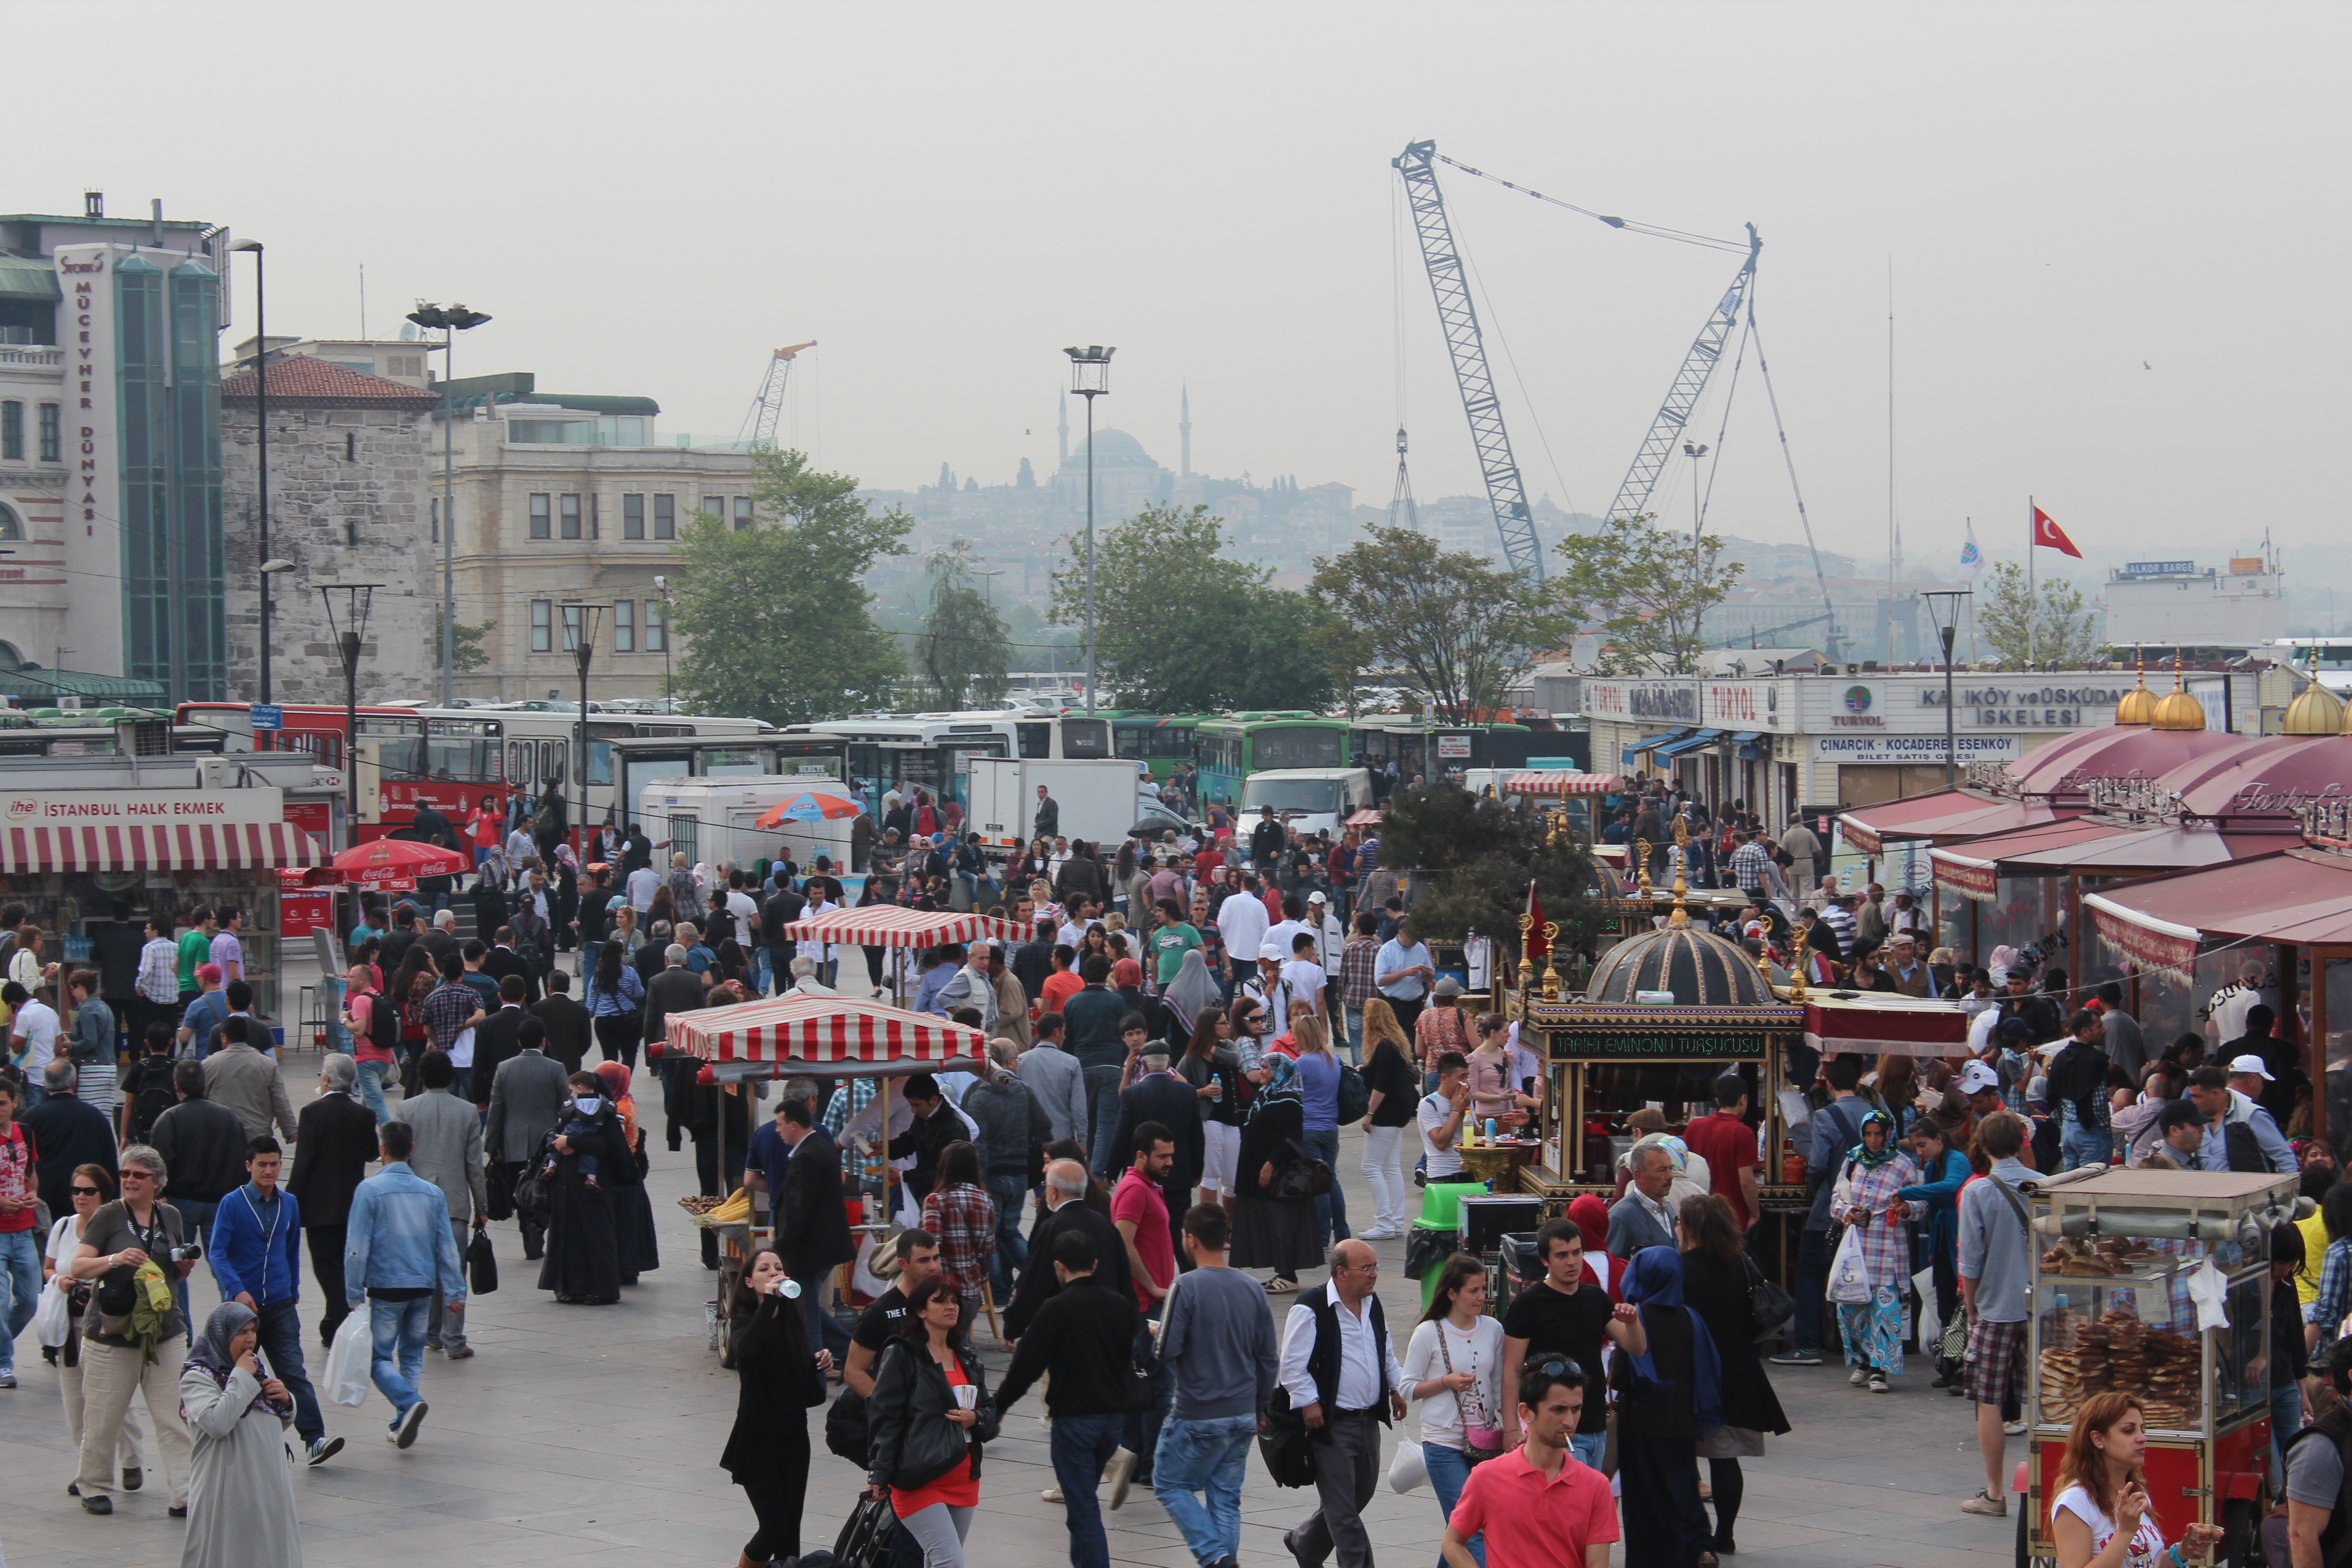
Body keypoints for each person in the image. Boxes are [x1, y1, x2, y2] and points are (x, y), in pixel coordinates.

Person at [995, 1227, 1143, 1568]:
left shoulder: (1056, 1309)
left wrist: (1000, 1406)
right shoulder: (1119, 1305)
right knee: (1083, 1502)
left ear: (1059, 1266)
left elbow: (1026, 1365)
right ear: (1095, 1264)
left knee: (1083, 1511)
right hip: (1111, 1423)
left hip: (1074, 1423)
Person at [65, 1142, 196, 1513]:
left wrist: (183, 1269)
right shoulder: (108, 1215)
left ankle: (185, 1494)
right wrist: (115, 1259)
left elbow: (171, 1273)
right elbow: (79, 1266)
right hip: (112, 1333)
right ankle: (93, 1485)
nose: (130, 1180)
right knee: (104, 1417)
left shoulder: (170, 1216)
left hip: (165, 1331)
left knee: (174, 1418)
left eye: (139, 1174)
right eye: (125, 1173)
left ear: (157, 1181)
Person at [1154, 1201, 1278, 1568]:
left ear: (1191, 1240)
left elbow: (1166, 1350)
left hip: (1198, 1412)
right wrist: (1260, 1407)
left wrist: (1157, 1332)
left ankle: (1215, 1557)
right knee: (1225, 1498)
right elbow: (1268, 1357)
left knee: (1170, 1484)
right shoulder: (1252, 1288)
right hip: (1242, 1413)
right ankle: (1225, 1561)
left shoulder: (1185, 1286)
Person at [205, 1134, 340, 1465]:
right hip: (241, 1310)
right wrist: (237, 1289)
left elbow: (291, 1249)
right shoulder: (232, 1203)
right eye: (262, 1164)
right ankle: (229, 1436)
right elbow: (217, 1252)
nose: (269, 1171)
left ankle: (314, 1439)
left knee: (293, 1371)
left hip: (280, 1304)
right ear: (249, 1166)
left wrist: (293, 1289)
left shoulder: (289, 1203)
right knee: (234, 1373)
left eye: (274, 1164)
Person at [1275, 1237, 1409, 1568]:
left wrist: (1397, 1388)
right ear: (1342, 1273)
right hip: (1331, 1425)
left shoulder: (1372, 1303)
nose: (1374, 1274)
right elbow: (1291, 1367)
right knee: (1344, 1513)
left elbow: (1386, 1353)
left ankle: (1305, 1542)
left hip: (1368, 1420)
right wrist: (1309, 1402)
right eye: (1367, 1268)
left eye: (1376, 1267)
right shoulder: (1311, 1307)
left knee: (1359, 1495)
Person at [865, 1272, 1001, 1568]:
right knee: (949, 1562)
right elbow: (886, 1417)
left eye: (955, 1301)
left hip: (963, 1476)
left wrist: (975, 1418)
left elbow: (991, 1415)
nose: (951, 1307)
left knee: (938, 1560)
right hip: (920, 1476)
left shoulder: (967, 1358)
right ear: (921, 1311)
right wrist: (879, 1472)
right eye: (940, 1301)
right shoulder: (902, 1354)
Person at [1678, 1196, 1789, 1557]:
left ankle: (1696, 1533)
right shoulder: (1740, 1262)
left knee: (1684, 1457)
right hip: (1738, 1371)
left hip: (1696, 1373)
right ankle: (1725, 1534)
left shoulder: (1683, 1269)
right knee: (1725, 1458)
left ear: (1692, 1228)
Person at [345, 1117, 465, 1448]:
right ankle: (402, 1422)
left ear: (382, 1148)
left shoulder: (369, 1190)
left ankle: (408, 1404)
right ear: (412, 1148)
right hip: (423, 1285)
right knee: (412, 1356)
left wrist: (353, 1293)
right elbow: (447, 1248)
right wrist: (455, 1291)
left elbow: (357, 1248)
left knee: (377, 1358)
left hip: (386, 1286)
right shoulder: (433, 1193)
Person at [1439, 1358, 1620, 1568]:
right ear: (1526, 1413)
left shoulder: (1596, 1486)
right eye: (1558, 1410)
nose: (1569, 1421)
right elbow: (1452, 1542)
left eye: (1576, 1409)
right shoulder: (1487, 1477)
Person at [1499, 1218, 1645, 1472]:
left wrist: (1633, 1323)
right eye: (1562, 1255)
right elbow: (1512, 1370)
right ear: (1545, 1260)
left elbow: (1637, 1348)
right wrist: (1511, 1428)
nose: (1572, 1262)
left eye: (1577, 1253)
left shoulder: (1596, 1298)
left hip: (1595, 1424)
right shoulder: (1528, 1305)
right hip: (1554, 1430)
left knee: (1590, 1495)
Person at [1610, 1245, 1722, 1568]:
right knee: (1683, 1488)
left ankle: (1651, 1559)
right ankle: (1699, 1546)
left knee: (1646, 1497)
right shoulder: (1691, 1318)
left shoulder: (1637, 1317)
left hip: (1641, 1424)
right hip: (1681, 1421)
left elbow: (1623, 1378)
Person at [721, 1246, 832, 1568]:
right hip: (757, 1440)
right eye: (764, 1269)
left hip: (794, 1439)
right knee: (773, 1527)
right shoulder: (744, 1322)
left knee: (789, 1535)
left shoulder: (792, 1322)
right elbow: (746, 1350)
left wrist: (816, 1365)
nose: (774, 1273)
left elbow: (810, 1396)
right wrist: (769, 1303)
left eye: (779, 1268)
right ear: (749, 1282)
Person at [41, 1163, 148, 1491]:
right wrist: (60, 1280)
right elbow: (48, 1268)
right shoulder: (63, 1226)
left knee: (113, 1402)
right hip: (68, 1328)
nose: (81, 1197)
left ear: (104, 1195)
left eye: (89, 1191)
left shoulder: (114, 1228)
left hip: (104, 1327)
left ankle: (131, 1459)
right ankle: (85, 1468)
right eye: (76, 1191)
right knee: (75, 1404)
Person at [176, 1301, 301, 1568]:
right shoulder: (198, 1378)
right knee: (230, 1553)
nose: (251, 1339)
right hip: (229, 1488)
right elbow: (217, 1422)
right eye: (242, 1332)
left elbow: (268, 1423)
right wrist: (241, 1377)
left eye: (253, 1331)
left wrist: (287, 1402)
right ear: (222, 1335)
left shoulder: (254, 1369)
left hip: (266, 1485)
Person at [1406, 1252, 1509, 1567]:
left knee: (1460, 1530)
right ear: (1452, 1294)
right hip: (1442, 1444)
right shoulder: (1428, 1332)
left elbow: (1498, 1387)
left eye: (1483, 1289)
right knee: (1472, 1528)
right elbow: (1407, 1388)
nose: (1482, 1297)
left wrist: (1513, 1429)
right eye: (1473, 1291)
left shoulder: (1493, 1329)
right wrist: (1445, 1382)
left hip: (1484, 1444)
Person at [1959, 1109, 2036, 1517]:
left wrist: (1971, 1307)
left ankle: (1994, 1492)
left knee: (1988, 1400)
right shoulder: (2045, 1185)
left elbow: (1971, 1261)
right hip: (2041, 1308)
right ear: (2021, 1143)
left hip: (1996, 1307)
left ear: (1983, 1145)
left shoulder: (1978, 1192)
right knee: (2046, 1398)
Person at [2049, 1392, 2225, 1568]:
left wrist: (2182, 1552)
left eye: (2143, 1430)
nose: (2142, 1438)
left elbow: (2150, 1563)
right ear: (2098, 1439)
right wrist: (2125, 1532)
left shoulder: (2135, 1494)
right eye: (2128, 1430)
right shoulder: (2076, 1502)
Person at [389, 1050, 487, 1352]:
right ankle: (454, 1338)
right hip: (454, 1204)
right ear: (450, 1076)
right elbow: (474, 1165)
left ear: (421, 1076)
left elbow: (400, 1161)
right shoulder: (468, 1112)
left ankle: (431, 1333)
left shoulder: (406, 1109)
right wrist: (481, 1207)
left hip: (417, 1206)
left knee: (425, 1271)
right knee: (454, 1272)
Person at [289, 1054, 378, 1348]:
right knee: (345, 1265)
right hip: (354, 1205)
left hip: (320, 1208)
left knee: (326, 1268)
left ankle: (338, 1322)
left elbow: (304, 1161)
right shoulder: (365, 1114)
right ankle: (333, 1322)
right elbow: (371, 1153)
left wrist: (290, 1200)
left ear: (327, 1080)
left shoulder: (312, 1113)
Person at [1830, 1109, 1921, 1393]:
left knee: (1884, 1311)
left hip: (1887, 1250)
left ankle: (1880, 1371)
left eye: (1878, 1134)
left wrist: (1906, 1207)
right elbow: (1836, 1197)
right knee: (1851, 1311)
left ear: (1888, 1134)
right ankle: (1864, 1360)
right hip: (1856, 1250)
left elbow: (1921, 1203)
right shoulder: (1852, 1160)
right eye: (1868, 1134)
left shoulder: (1903, 1165)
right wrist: (1847, 1211)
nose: (1873, 1140)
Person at [1004, 1162, 1132, 1340]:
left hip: (1067, 1327)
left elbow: (1036, 1282)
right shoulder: (1105, 1224)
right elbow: (1124, 1275)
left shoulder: (1052, 1226)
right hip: (1107, 1324)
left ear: (1053, 1192)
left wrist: (1013, 1327)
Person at [537, 1069, 628, 1304]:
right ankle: (570, 1287)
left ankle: (601, 1289)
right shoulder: (571, 1110)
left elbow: (608, 1146)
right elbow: (555, 1131)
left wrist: (573, 1142)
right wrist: (559, 1142)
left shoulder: (607, 1116)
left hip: (593, 1186)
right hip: (567, 1183)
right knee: (568, 1235)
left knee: (595, 1235)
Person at [485, 1016, 572, 1262]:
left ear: (519, 1042)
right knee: (546, 1188)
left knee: (521, 1190)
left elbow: (496, 1109)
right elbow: (566, 1107)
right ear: (544, 1041)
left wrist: (492, 1144)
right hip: (547, 1141)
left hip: (513, 1142)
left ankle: (529, 1231)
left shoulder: (504, 1068)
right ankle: (539, 1226)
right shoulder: (556, 1068)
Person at [1233, 1055, 1321, 1294]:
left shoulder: (1289, 1100)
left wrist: (1270, 1165)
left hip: (1277, 1178)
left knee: (1282, 1224)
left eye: (1265, 1068)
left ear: (1280, 1072)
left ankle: (1288, 1275)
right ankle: (1281, 1272)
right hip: (1256, 1176)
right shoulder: (1268, 1095)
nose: (1261, 1071)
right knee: (1269, 1226)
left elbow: (1291, 1139)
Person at [919, 1140, 997, 1342]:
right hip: (971, 1288)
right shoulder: (985, 1200)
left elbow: (930, 1246)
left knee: (938, 1346)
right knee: (960, 1345)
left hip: (941, 1290)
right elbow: (989, 1247)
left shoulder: (935, 1201)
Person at [23, 1058, 116, 1220]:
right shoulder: (95, 1117)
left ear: (45, 1085)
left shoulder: (30, 1119)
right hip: (87, 1199)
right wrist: (113, 1203)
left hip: (45, 1201)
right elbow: (110, 1162)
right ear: (74, 1083)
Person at [1682, 1073, 1762, 1233]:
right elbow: (1746, 1181)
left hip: (1697, 1214)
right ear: (1743, 1099)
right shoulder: (1743, 1132)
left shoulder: (1694, 1126)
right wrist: (1755, 1215)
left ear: (1718, 1101)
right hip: (1731, 1216)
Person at [1608, 1141, 1682, 1259]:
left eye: (1671, 1169)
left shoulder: (1667, 1209)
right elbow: (1613, 1264)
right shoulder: (1620, 1216)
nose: (1670, 1176)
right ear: (1639, 1175)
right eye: (1662, 1170)